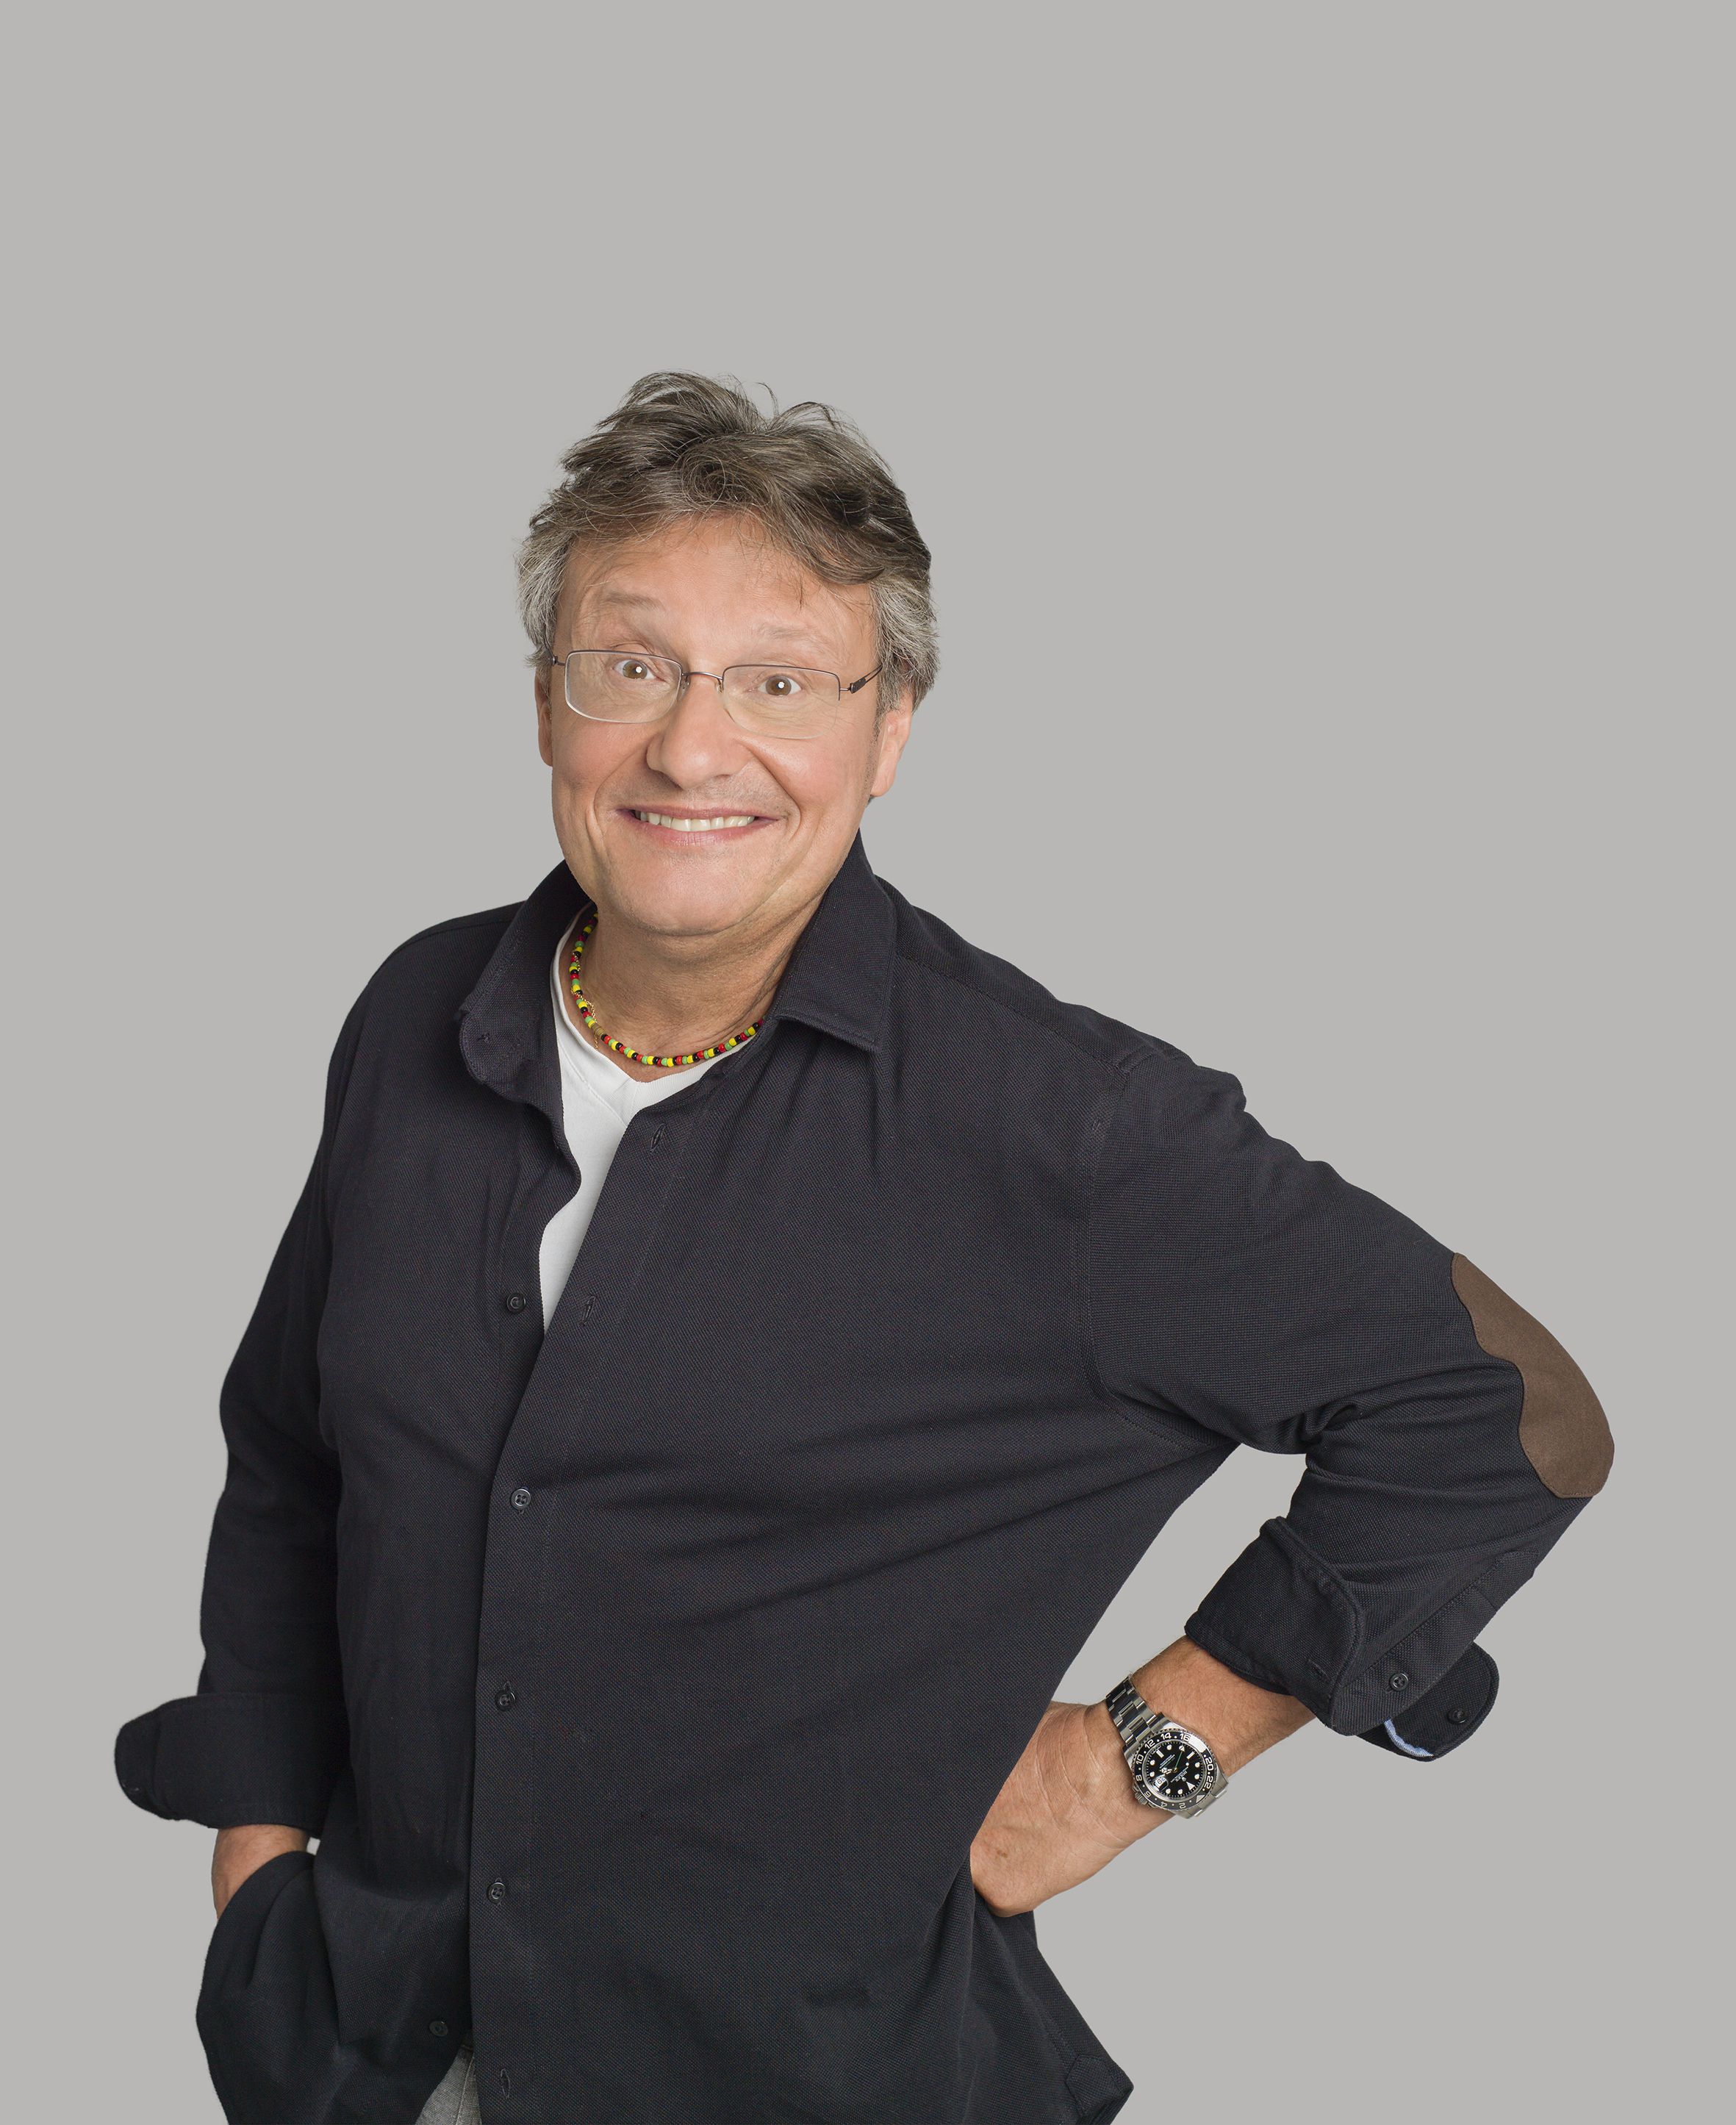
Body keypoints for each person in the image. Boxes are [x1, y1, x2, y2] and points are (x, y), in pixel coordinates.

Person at [113, 372, 1613, 2125]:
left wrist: (1126, 1762)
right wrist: (258, 1844)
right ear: (544, 706)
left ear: (885, 731)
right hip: (374, 2061)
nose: (691, 749)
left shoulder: (1058, 1127)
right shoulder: (414, 1012)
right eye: (629, 665)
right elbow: (294, 1457)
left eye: (777, 681)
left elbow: (1504, 1417)